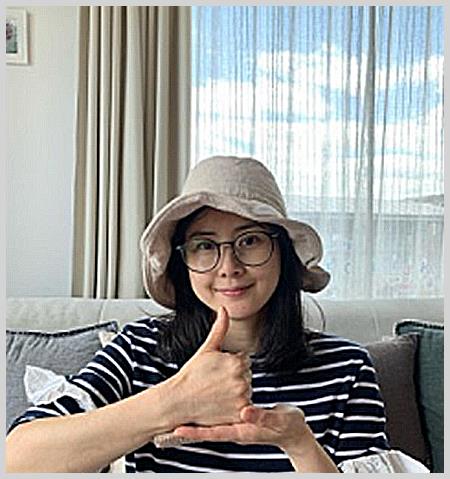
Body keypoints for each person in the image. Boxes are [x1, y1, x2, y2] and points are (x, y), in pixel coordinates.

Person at [6, 156, 428, 473]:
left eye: (250, 240)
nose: (228, 267)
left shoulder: (347, 368)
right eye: (205, 246)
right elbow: (18, 461)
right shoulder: (138, 349)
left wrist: (300, 444)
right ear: (184, 263)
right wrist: (175, 401)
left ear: (282, 252)